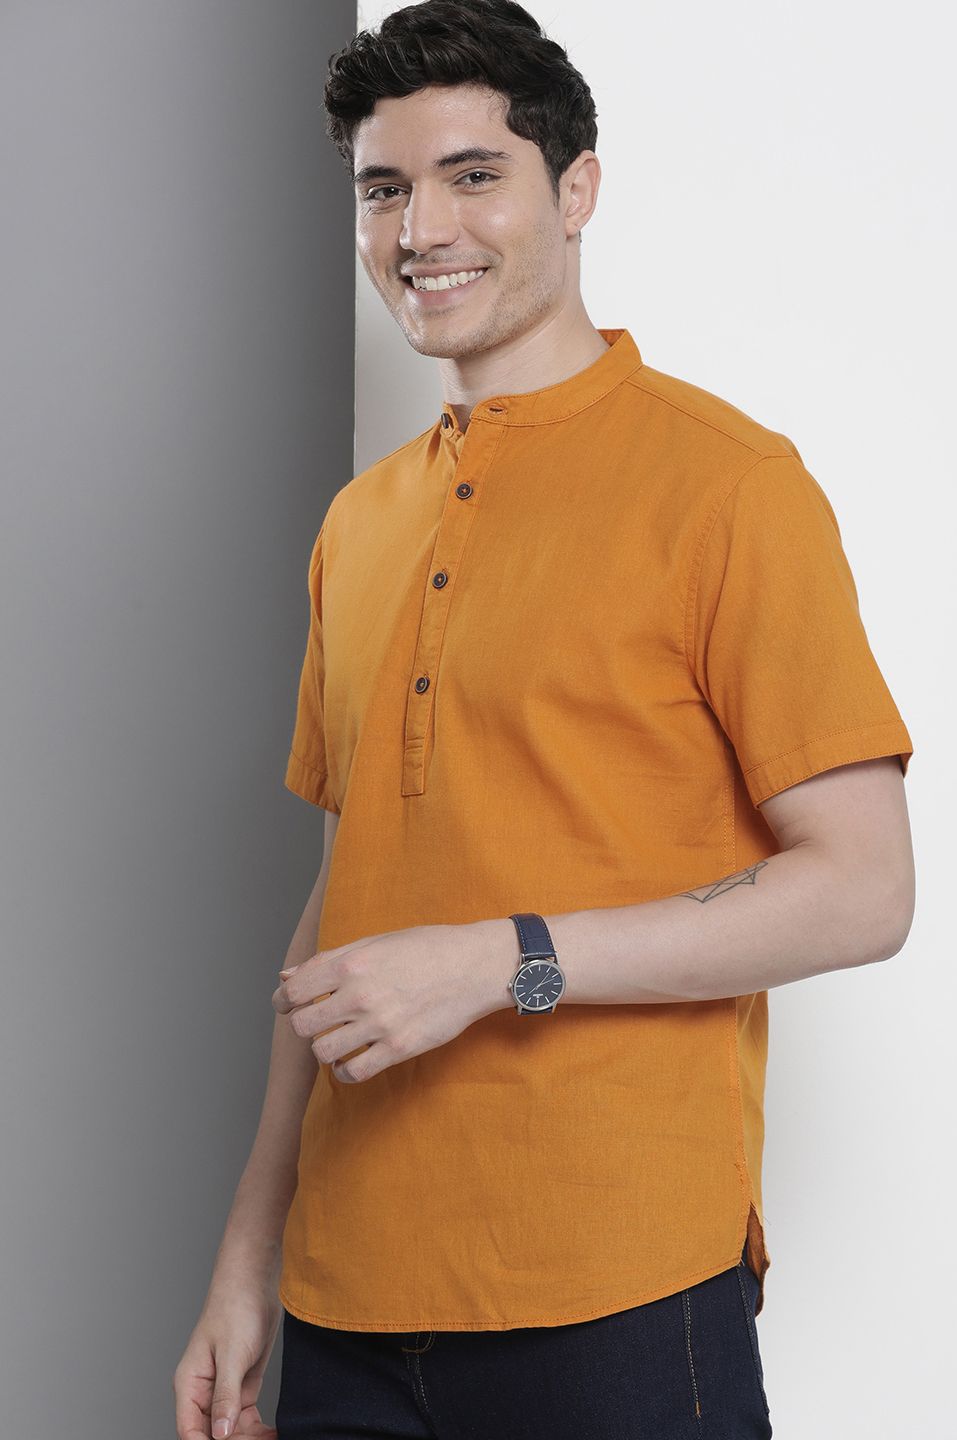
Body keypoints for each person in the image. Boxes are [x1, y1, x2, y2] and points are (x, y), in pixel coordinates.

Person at [173, 2, 916, 1437]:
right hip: (343, 1296)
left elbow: (864, 888)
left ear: (576, 190)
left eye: (473, 175)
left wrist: (502, 961)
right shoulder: (358, 526)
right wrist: (248, 1257)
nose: (420, 229)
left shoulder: (730, 488)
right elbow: (337, 914)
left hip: (617, 1285)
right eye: (384, 188)